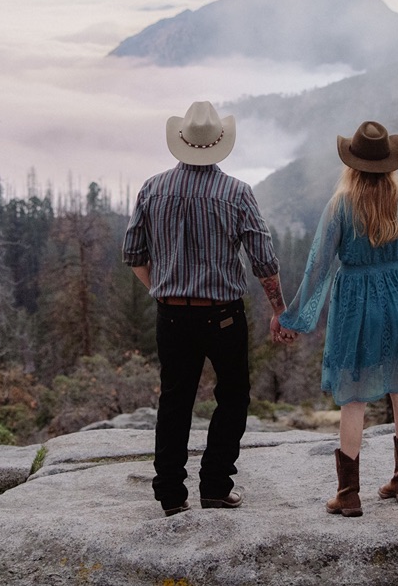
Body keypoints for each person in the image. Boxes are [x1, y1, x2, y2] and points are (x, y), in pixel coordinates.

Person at [122, 100, 290, 517]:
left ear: (181, 141)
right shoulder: (236, 194)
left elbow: (133, 253)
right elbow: (263, 261)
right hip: (224, 315)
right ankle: (215, 485)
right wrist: (278, 309)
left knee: (175, 401)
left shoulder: (152, 188)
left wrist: (161, 290)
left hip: (172, 314)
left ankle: (170, 495)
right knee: (233, 397)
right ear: (219, 144)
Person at [278, 120, 398, 517]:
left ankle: (348, 494)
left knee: (354, 398)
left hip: (357, 306)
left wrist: (294, 318)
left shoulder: (341, 205)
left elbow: (319, 267)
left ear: (353, 164)